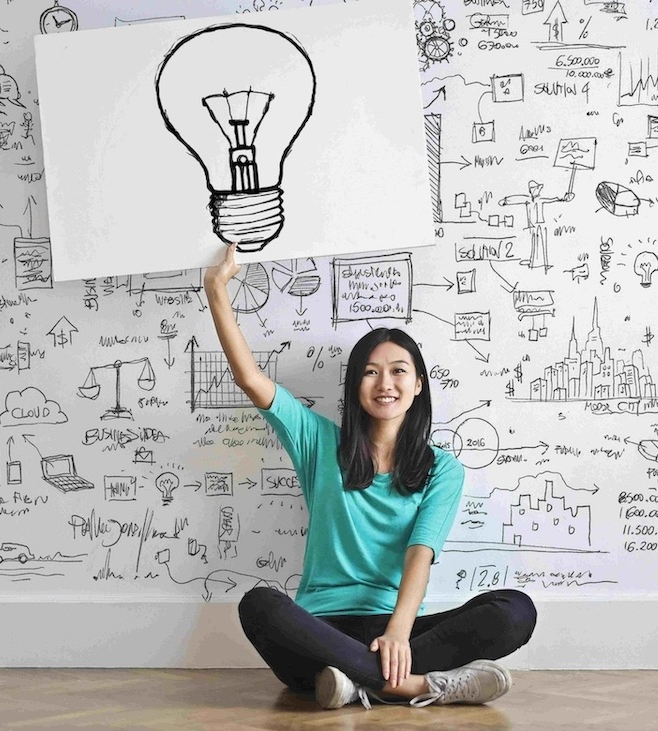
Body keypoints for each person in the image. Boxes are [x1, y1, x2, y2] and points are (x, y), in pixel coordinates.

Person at [204, 245, 537, 711]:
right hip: (321, 628)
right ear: (355, 387)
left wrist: (398, 632)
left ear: (418, 384)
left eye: (399, 371)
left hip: (400, 631)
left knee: (515, 610)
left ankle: (351, 682)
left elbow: (420, 553)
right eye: (371, 373)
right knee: (259, 605)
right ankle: (416, 687)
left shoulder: (443, 468)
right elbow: (249, 378)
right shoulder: (318, 442)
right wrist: (216, 288)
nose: (385, 383)